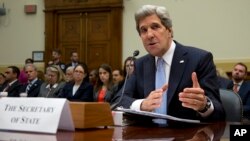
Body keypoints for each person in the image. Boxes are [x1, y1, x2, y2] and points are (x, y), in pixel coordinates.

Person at [112, 5, 225, 125]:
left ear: (169, 31)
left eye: (155, 27)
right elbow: (118, 101)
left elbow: (219, 111)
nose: (149, 35)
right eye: (143, 30)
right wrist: (142, 104)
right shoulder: (139, 65)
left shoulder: (199, 59)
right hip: (147, 135)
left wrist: (204, 105)